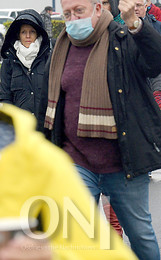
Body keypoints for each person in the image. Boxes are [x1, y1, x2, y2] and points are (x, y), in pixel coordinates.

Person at [37, 0, 161, 260]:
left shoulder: (122, 38)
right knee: (74, 234)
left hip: (123, 162)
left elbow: (160, 60)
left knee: (140, 233)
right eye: (67, 14)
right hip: (76, 161)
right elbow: (48, 102)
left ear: (98, 9)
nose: (72, 19)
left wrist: (136, 24)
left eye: (78, 11)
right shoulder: (61, 48)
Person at [0, 103, 136, 259]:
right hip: (80, 157)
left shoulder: (37, 160)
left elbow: (96, 251)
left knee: (138, 232)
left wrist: (50, 255)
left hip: (108, 158)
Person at [0, 9, 50, 116]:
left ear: (37, 34)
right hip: (19, 126)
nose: (28, 36)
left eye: (32, 31)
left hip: (44, 125)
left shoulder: (48, 59)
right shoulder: (9, 62)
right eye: (24, 32)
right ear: (18, 35)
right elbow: (5, 97)